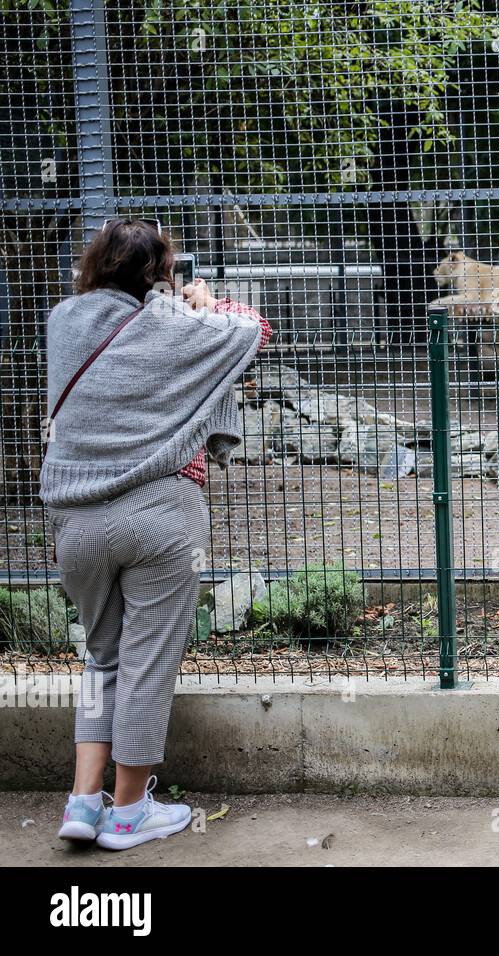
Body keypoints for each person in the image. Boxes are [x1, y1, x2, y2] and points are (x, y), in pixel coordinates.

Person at [42, 218, 271, 850]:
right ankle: (127, 812)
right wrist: (205, 302)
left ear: (96, 262)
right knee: (146, 662)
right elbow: (254, 330)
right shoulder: (173, 322)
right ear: (158, 272)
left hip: (78, 521)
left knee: (102, 657)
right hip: (160, 515)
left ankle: (82, 804)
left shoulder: (63, 320)